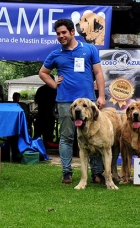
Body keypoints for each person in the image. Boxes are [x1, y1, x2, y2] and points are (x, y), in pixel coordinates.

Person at [38, 18, 106, 185]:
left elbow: (98, 73)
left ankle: (97, 173)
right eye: (58, 34)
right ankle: (67, 173)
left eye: (64, 33)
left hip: (88, 102)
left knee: (93, 137)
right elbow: (43, 73)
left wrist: (101, 96)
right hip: (66, 102)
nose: (61, 36)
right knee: (66, 137)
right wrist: (55, 85)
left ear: (72, 32)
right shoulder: (55, 54)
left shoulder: (89, 49)